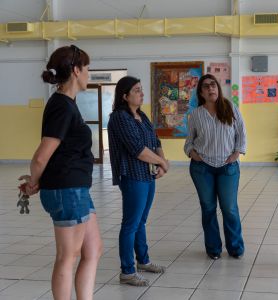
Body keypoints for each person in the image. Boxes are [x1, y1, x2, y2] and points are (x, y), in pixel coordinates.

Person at [19, 45, 103, 300]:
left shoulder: (67, 104)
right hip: (68, 190)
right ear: (76, 71)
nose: (90, 73)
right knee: (67, 257)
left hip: (76, 189)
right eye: (87, 68)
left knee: (93, 249)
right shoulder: (62, 106)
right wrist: (34, 182)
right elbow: (41, 156)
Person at [108, 76, 169, 286]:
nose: (141, 94)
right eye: (136, 90)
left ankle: (143, 261)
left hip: (147, 175)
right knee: (131, 224)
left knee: (141, 221)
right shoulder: (119, 118)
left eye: (141, 90)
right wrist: (163, 162)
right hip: (133, 176)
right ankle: (127, 271)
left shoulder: (141, 115)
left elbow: (155, 140)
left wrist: (161, 163)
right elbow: (138, 150)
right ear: (124, 96)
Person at [184, 74, 246, 260]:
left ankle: (235, 247)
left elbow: (242, 134)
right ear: (201, 93)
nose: (211, 88)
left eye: (214, 85)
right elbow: (189, 141)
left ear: (218, 88)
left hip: (228, 168)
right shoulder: (195, 115)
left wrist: (237, 153)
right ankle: (213, 248)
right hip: (202, 168)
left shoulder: (230, 108)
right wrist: (191, 152)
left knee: (229, 208)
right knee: (208, 208)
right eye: (206, 87)